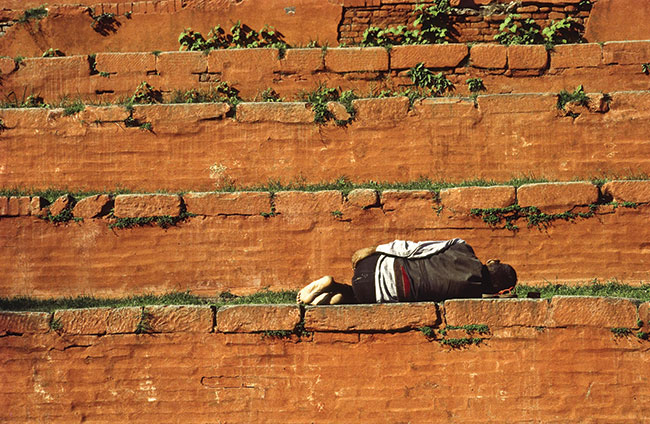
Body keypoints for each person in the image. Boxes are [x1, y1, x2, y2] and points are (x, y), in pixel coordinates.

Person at [296, 238, 517, 305]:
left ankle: (331, 285)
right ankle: (335, 292)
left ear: (491, 261)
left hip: (374, 267)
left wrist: (373, 250)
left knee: (365, 284)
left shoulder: (461, 247)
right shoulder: (472, 296)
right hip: (375, 293)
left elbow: (412, 248)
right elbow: (490, 298)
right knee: (361, 297)